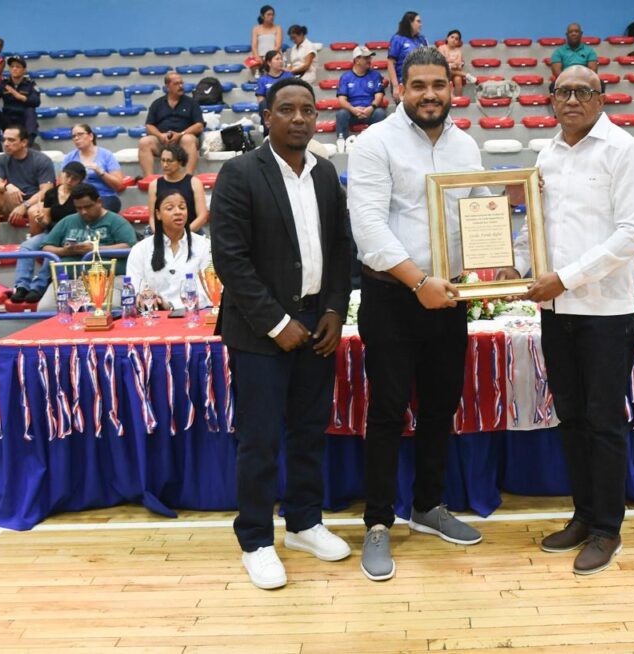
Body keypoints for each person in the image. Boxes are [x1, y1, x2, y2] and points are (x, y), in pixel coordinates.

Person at [499, 65, 634, 575]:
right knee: (571, 417)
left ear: (602, 98)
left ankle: (608, 528)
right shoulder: (547, 153)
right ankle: (583, 515)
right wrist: (513, 262)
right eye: (563, 91)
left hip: (605, 311)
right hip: (555, 311)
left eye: (583, 91)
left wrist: (564, 277)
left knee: (604, 421)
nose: (572, 99)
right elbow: (538, 228)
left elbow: (633, 234)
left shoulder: (623, 150)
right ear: (550, 99)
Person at [210, 76, 353, 590]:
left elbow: (341, 249)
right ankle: (255, 539)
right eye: (287, 109)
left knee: (310, 431)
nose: (298, 118)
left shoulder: (325, 173)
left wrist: (336, 308)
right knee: (261, 439)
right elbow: (230, 259)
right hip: (259, 334)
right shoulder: (239, 174)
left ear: (319, 118)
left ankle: (304, 523)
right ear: (266, 116)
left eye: (308, 110)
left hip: (318, 326)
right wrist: (277, 322)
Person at [348, 46, 483, 582]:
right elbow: (369, 228)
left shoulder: (467, 144)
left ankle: (428, 507)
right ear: (399, 86)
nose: (430, 94)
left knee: (440, 406)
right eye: (419, 85)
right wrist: (418, 282)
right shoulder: (373, 142)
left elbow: (476, 213)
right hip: (392, 298)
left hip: (447, 298)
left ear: (452, 88)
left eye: (439, 85)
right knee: (387, 412)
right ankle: (379, 523)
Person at [38, 183, 137, 309]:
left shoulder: (116, 221)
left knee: (109, 307)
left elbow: (129, 247)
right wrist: (65, 251)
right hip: (69, 280)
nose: (83, 212)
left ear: (99, 202)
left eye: (88, 207)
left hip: (109, 279)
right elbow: (46, 247)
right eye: (78, 208)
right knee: (45, 308)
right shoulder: (67, 221)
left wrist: (95, 249)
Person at [10, 161, 86, 304]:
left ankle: (39, 286)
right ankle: (21, 286)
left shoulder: (80, 195)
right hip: (51, 232)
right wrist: (40, 220)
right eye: (67, 175)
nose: (69, 180)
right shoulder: (51, 193)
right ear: (62, 174)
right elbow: (47, 221)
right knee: (26, 246)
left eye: (74, 178)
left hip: (71, 235)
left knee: (51, 251)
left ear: (80, 181)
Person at [126, 189, 211, 310]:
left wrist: (171, 306)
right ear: (158, 214)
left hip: (194, 315)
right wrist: (144, 296)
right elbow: (133, 288)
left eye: (182, 207)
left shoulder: (204, 246)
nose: (178, 212)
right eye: (170, 208)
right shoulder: (140, 249)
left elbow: (209, 291)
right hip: (154, 318)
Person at [0, 125, 55, 251]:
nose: (6, 144)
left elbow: (46, 191)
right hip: (14, 200)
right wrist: (7, 186)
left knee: (34, 211)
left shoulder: (41, 160)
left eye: (11, 140)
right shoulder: (2, 159)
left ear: (24, 142)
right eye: (4, 139)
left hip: (36, 202)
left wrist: (25, 206)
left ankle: (32, 246)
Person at [138, 73, 205, 178]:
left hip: (182, 140)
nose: (181, 86)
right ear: (167, 86)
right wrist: (160, 135)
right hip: (163, 141)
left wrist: (181, 134)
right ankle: (149, 179)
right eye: (176, 84)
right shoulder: (157, 104)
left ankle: (188, 178)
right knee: (144, 142)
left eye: (181, 83)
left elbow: (199, 125)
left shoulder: (192, 103)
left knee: (188, 139)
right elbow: (149, 126)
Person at [147, 144, 209, 234]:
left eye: (169, 161)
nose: (165, 164)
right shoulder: (154, 185)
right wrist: (160, 235)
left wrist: (182, 234)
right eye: (163, 160)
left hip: (191, 232)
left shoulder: (194, 183)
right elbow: (153, 217)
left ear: (180, 162)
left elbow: (202, 216)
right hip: (163, 234)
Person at [62, 123, 125, 213]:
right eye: (73, 136)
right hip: (77, 198)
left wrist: (100, 172)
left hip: (104, 196)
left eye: (80, 134)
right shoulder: (69, 157)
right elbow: (63, 183)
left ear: (91, 136)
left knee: (94, 211)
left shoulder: (106, 155)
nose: (76, 138)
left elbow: (118, 185)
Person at [0, 55, 40, 150]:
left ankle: (30, 143)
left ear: (24, 70)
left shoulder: (30, 84)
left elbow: (36, 102)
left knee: (30, 110)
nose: (14, 69)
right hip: (8, 120)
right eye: (12, 66)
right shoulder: (4, 83)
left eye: (18, 67)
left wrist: (20, 96)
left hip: (23, 121)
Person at [335, 46, 387, 145]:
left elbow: (379, 95)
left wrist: (371, 108)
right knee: (341, 114)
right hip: (353, 112)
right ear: (357, 60)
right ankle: (343, 144)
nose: (369, 60)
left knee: (380, 113)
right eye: (366, 58)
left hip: (370, 111)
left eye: (370, 57)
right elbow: (342, 100)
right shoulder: (346, 77)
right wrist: (353, 109)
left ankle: (378, 145)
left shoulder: (375, 75)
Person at [387, 11, 428, 102]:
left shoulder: (422, 39)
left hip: (420, 82)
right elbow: (390, 63)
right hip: (403, 83)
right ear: (410, 22)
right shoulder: (397, 39)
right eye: (418, 21)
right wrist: (395, 86)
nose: (421, 24)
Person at [255, 49, 293, 133]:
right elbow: (260, 100)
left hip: (287, 107)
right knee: (264, 104)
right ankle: (268, 134)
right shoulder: (263, 80)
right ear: (269, 63)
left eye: (281, 59)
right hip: (271, 110)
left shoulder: (288, 76)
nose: (280, 61)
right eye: (277, 59)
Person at [249, 5, 283, 73]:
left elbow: (278, 45)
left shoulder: (278, 28)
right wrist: (257, 57)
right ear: (262, 16)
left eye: (273, 15)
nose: (271, 17)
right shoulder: (256, 29)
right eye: (268, 14)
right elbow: (254, 45)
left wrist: (268, 58)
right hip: (259, 58)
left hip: (273, 57)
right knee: (255, 67)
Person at [438, 30, 467, 96]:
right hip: (443, 72)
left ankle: (458, 100)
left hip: (454, 71)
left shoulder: (459, 51)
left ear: (458, 42)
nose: (454, 40)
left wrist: (451, 62)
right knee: (446, 68)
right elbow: (442, 60)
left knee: (458, 79)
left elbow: (459, 65)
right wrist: (453, 62)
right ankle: (465, 74)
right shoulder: (441, 48)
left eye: (456, 39)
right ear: (447, 38)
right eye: (452, 37)